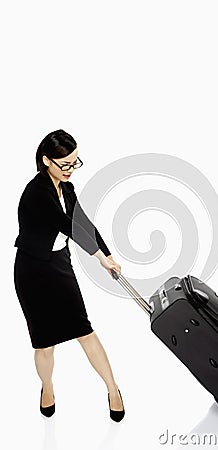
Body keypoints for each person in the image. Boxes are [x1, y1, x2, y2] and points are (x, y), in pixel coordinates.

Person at [13, 129, 125, 422]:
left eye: (75, 163)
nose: (71, 170)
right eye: (65, 164)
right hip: (32, 271)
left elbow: (82, 221)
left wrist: (108, 252)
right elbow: (66, 226)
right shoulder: (36, 192)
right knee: (44, 341)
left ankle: (113, 389)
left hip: (59, 265)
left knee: (84, 330)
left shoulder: (68, 188)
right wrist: (100, 258)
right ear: (46, 160)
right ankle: (47, 388)